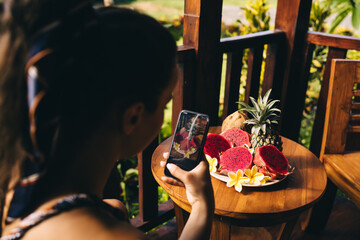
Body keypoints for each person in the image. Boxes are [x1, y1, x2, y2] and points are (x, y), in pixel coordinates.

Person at [0, 0, 214, 239]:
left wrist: (103, 210)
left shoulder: (17, 183)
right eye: (165, 104)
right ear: (133, 117)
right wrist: (202, 205)